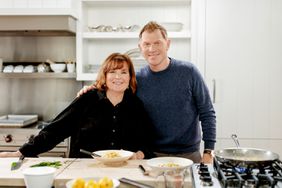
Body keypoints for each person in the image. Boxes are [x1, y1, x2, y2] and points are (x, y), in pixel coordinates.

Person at [78, 21, 216, 163]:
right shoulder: (137, 79)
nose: (152, 48)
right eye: (147, 44)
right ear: (140, 47)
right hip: (151, 155)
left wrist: (208, 150)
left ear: (167, 44)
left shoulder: (189, 72)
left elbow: (207, 112)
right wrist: (91, 88)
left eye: (157, 43)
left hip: (188, 155)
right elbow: (113, 87)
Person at [0, 53, 155, 159]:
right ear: (105, 76)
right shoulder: (87, 99)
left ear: (130, 77)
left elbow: (148, 141)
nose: (118, 77)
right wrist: (21, 152)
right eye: (113, 72)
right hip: (84, 168)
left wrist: (140, 154)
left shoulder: (135, 105)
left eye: (123, 72)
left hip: (124, 169)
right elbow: (55, 130)